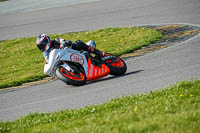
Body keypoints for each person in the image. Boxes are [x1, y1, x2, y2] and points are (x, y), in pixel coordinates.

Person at [36, 34, 105, 63]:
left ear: (47, 41)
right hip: (64, 60)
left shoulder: (56, 40)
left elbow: (66, 41)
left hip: (72, 52)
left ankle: (98, 52)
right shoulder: (45, 53)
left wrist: (64, 43)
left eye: (42, 45)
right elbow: (47, 61)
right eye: (40, 46)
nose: (42, 48)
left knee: (76, 43)